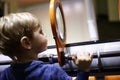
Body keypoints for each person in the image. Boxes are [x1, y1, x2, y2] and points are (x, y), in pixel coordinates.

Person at [0, 12, 93, 80]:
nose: (45, 34)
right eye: (40, 32)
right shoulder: (51, 72)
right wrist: (83, 69)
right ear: (26, 43)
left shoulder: (5, 75)